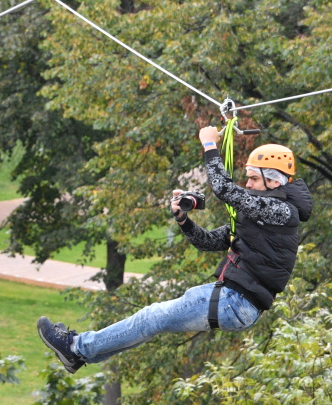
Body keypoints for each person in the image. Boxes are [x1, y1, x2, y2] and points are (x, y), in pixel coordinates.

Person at [37, 135, 312, 372]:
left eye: (253, 178)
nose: (248, 184)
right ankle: (80, 353)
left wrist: (209, 145)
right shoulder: (264, 217)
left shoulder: (283, 212)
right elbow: (208, 241)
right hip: (233, 301)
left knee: (152, 317)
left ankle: (75, 347)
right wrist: (183, 219)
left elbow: (224, 189)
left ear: (274, 182)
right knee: (152, 321)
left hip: (235, 302)